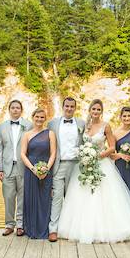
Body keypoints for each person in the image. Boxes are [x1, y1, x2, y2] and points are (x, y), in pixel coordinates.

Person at [58, 99, 130, 244]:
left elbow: (111, 147)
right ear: (90, 110)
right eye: (94, 109)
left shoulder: (106, 126)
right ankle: (80, 228)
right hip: (85, 165)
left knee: (104, 197)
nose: (96, 112)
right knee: (82, 195)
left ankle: (106, 230)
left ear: (101, 111)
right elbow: (80, 143)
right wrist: (85, 155)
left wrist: (98, 155)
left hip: (102, 164)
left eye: (98, 109)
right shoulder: (84, 126)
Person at [46, 97, 86, 242]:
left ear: (75, 108)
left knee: (72, 198)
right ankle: (53, 229)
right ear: (63, 107)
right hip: (58, 164)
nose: (69, 109)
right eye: (67, 106)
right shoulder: (52, 124)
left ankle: (72, 229)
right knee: (56, 198)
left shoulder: (81, 123)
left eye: (72, 106)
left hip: (76, 165)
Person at [0, 100, 33, 236]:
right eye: (13, 108)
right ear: (9, 110)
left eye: (18, 108)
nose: (15, 110)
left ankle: (21, 225)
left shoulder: (29, 125)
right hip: (7, 168)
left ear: (21, 110)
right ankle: (9, 224)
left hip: (24, 167)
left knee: (22, 197)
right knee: (9, 197)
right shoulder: (1, 127)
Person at [20, 108, 57, 239]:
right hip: (31, 170)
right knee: (32, 199)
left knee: (45, 199)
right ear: (33, 117)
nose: (39, 119)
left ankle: (45, 229)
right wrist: (33, 169)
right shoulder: (26, 135)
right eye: (37, 117)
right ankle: (31, 229)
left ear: (45, 119)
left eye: (42, 117)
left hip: (46, 170)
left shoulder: (50, 133)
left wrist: (46, 168)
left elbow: (53, 153)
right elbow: (23, 154)